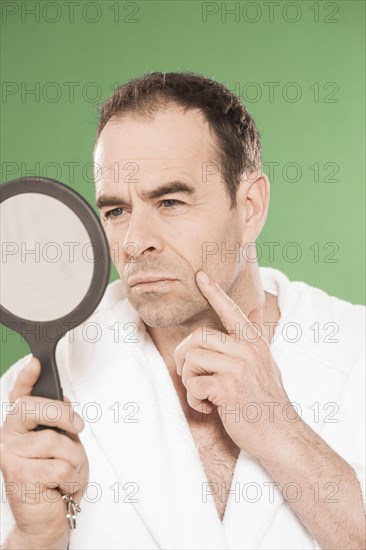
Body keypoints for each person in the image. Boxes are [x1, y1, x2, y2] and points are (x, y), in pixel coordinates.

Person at [0, 72, 365, 550]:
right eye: (115, 211)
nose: (135, 242)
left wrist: (283, 433)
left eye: (170, 201)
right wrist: (37, 534)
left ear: (250, 206)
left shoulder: (356, 349)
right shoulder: (29, 404)